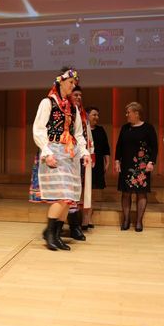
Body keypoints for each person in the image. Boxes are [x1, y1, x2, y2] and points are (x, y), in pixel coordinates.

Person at [29, 67, 91, 251]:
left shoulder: (74, 108)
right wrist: (46, 152)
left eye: (75, 83)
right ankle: (50, 233)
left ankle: (55, 235)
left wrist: (85, 153)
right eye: (70, 82)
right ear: (61, 81)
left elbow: (78, 134)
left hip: (69, 154)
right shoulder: (47, 102)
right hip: (54, 151)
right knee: (62, 195)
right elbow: (39, 129)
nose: (73, 86)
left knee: (69, 198)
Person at [114, 102, 158, 232]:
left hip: (142, 165)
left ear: (136, 113)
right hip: (126, 164)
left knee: (141, 193)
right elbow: (119, 146)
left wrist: (151, 162)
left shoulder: (148, 128)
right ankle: (126, 220)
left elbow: (154, 147)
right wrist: (117, 161)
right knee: (126, 193)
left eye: (128, 112)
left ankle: (139, 221)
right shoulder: (125, 128)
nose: (126, 115)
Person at [66, 85, 93, 241]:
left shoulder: (82, 114)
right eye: (75, 94)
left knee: (77, 191)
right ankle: (63, 226)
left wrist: (88, 153)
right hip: (65, 155)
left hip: (79, 155)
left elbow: (86, 135)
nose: (78, 97)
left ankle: (75, 226)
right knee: (66, 192)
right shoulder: (64, 111)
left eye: (80, 95)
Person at [86, 106, 111, 229]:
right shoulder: (82, 130)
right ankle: (83, 218)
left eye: (97, 115)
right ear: (87, 116)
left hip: (97, 164)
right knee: (84, 191)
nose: (97, 117)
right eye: (94, 115)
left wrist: (107, 162)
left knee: (92, 192)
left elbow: (106, 147)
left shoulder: (100, 130)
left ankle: (88, 217)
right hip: (84, 163)